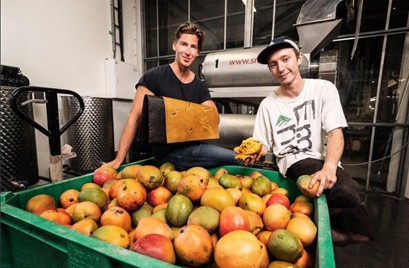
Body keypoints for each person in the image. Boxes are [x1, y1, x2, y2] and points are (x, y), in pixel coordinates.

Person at [244, 36, 372, 246]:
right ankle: (319, 235)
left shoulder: (323, 89)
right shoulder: (268, 105)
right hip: (293, 161)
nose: (281, 68)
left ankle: (330, 233)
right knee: (342, 190)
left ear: (299, 58)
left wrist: (330, 167)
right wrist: (256, 152)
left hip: (321, 158)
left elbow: (335, 132)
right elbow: (264, 143)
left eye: (286, 59)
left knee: (345, 189)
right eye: (273, 64)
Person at [106, 21, 239, 170]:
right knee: (237, 158)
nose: (188, 52)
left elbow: (214, 119)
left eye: (193, 47)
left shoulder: (199, 86)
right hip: (168, 154)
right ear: (174, 45)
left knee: (227, 158)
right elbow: (134, 118)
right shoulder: (154, 77)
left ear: (197, 52)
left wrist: (186, 116)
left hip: (194, 147)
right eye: (183, 44)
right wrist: (119, 159)